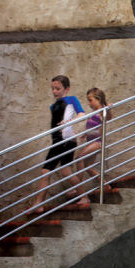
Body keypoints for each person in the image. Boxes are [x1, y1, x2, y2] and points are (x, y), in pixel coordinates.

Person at [31, 75, 87, 213]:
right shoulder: (53, 106)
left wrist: (69, 122)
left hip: (66, 141)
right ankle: (84, 196)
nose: (54, 91)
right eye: (53, 89)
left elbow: (82, 114)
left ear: (66, 89)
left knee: (47, 171)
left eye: (58, 88)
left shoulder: (71, 100)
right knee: (63, 171)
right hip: (58, 141)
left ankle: (38, 203)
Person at [73, 87, 113, 196]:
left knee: (80, 158)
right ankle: (104, 185)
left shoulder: (102, 111)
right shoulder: (95, 112)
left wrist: (108, 109)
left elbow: (108, 118)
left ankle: (78, 187)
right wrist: (86, 133)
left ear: (99, 99)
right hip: (91, 142)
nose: (89, 103)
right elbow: (93, 126)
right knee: (88, 167)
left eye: (90, 100)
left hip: (97, 143)